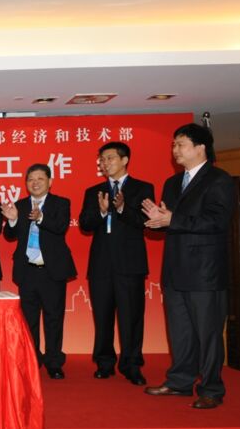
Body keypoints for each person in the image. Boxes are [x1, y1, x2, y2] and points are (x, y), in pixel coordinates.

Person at [142, 123, 235, 409]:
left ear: (200, 147)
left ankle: (211, 389)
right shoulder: (172, 183)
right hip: (175, 270)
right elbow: (172, 222)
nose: (175, 150)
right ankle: (179, 382)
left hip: (205, 272)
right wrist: (159, 220)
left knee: (208, 334)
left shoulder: (219, 180)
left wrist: (173, 219)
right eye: (174, 144)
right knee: (180, 332)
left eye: (180, 144)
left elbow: (217, 221)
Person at [79, 142, 154, 385]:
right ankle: (104, 363)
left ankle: (132, 365)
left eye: (110, 158)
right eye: (102, 159)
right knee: (102, 317)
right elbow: (85, 224)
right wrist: (102, 212)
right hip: (101, 264)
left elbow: (144, 222)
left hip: (130, 264)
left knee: (131, 317)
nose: (105, 163)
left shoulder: (143, 188)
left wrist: (121, 208)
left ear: (124, 160)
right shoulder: (94, 191)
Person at [2, 164, 76, 379]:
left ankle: (54, 362)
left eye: (40, 179)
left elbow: (60, 227)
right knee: (29, 320)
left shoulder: (61, 203)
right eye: (31, 179)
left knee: (54, 318)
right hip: (27, 271)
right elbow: (10, 236)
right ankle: (32, 359)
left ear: (50, 182)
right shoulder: (20, 205)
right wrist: (12, 219)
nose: (35, 183)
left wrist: (41, 218)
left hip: (51, 271)